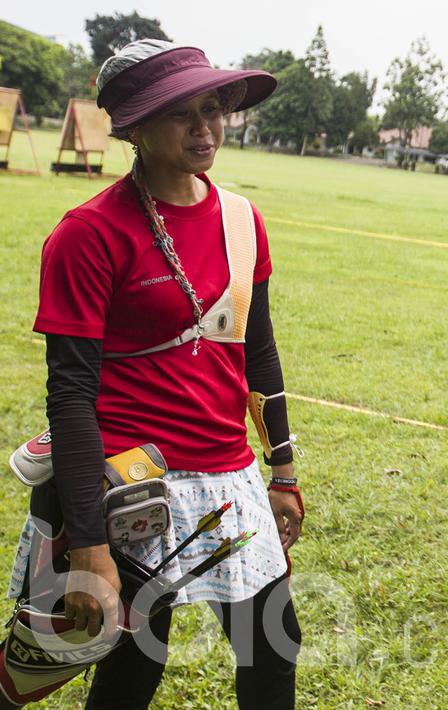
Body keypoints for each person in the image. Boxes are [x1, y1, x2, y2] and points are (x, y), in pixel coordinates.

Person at [10, 40, 302, 708]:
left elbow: (257, 351)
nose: (206, 127)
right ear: (134, 129)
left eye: (213, 107)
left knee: (273, 649)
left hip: (230, 479)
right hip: (131, 487)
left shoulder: (240, 219)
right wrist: (88, 544)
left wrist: (281, 471)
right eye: (181, 114)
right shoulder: (87, 234)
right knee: (134, 664)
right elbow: (71, 393)